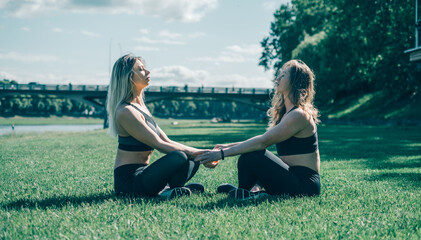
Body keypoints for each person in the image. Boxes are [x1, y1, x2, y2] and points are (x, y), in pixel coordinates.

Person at [196, 60, 321, 200]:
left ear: (295, 82)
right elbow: (262, 139)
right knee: (250, 152)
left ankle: (246, 193)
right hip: (292, 177)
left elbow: (262, 142)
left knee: (253, 155)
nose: (277, 79)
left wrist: (221, 154)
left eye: (283, 75)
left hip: (305, 186)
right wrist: (226, 146)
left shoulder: (299, 115)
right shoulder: (287, 113)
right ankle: (246, 192)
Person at [107, 54, 205, 199]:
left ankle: (170, 190)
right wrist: (203, 155)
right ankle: (166, 191)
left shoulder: (141, 107)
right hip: (129, 182)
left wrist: (201, 154)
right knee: (180, 156)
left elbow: (167, 141)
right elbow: (159, 145)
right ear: (128, 77)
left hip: (143, 173)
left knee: (191, 158)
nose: (148, 72)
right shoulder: (125, 111)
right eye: (141, 69)